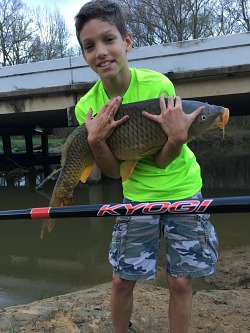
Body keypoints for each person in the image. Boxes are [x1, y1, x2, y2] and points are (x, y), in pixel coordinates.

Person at [74, 1, 218, 332]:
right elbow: (112, 173)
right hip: (137, 196)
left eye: (109, 39)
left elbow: (164, 159)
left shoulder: (159, 86)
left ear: (127, 41)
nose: (101, 52)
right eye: (89, 45)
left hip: (182, 188)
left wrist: (177, 138)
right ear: (84, 55)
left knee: (181, 283)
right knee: (122, 280)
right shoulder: (88, 106)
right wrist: (95, 143)